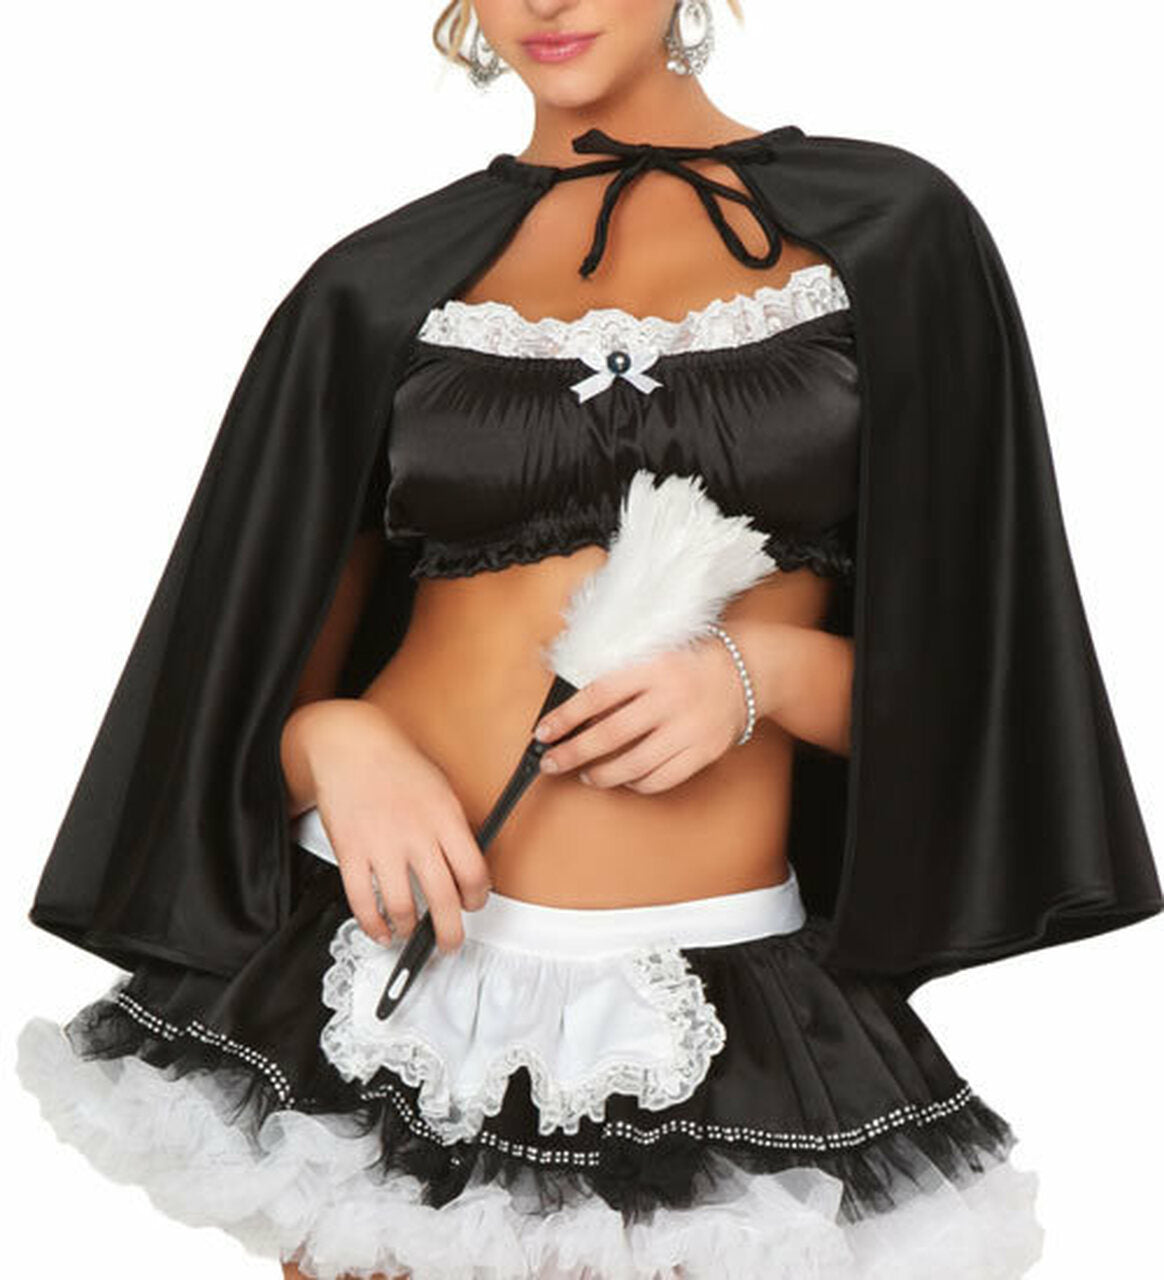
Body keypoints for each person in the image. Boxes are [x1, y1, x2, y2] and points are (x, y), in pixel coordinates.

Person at [16, 2, 1161, 1277]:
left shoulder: (895, 233)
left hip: (708, 1007)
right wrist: (335, 739)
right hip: (383, 979)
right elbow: (229, 690)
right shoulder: (379, 282)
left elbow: (995, 702)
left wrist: (763, 673)